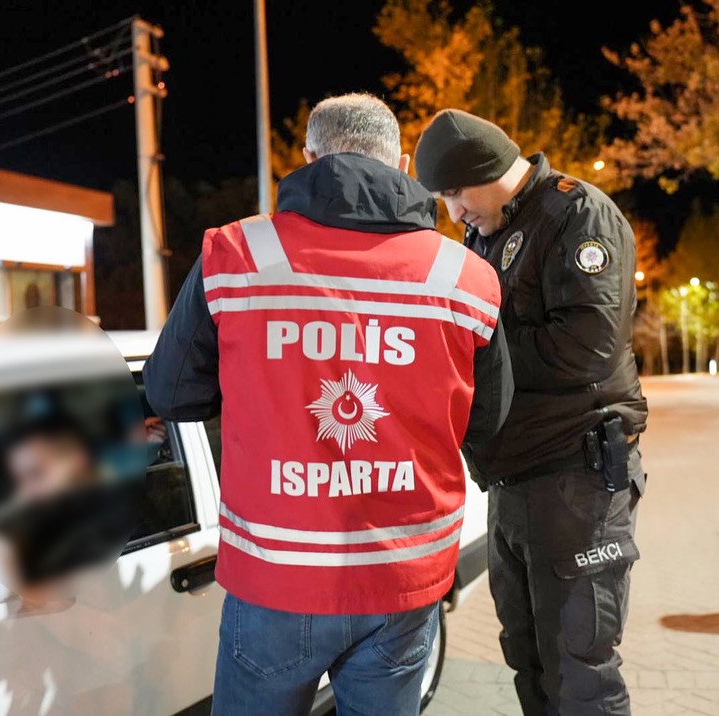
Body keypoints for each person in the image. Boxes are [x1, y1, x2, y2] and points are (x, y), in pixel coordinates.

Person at [143, 94, 512, 716]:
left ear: (309, 156)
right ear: (401, 164)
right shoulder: (465, 275)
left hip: (275, 577)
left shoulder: (237, 254)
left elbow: (170, 393)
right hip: (402, 577)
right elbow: (489, 418)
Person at [414, 109, 648, 716]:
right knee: (529, 659)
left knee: (580, 674)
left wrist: (476, 353)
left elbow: (587, 347)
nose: (454, 213)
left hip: (574, 478)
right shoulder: (487, 233)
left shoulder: (577, 213)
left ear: (486, 170)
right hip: (513, 480)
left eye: (455, 195)